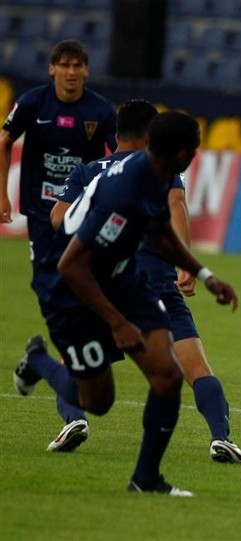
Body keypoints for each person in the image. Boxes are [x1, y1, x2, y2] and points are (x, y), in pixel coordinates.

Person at [15, 100, 241, 464]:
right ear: (150, 137)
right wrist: (189, 265)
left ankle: (76, 417)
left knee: (93, 374)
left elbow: (58, 217)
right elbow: (176, 207)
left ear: (115, 135)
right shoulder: (159, 170)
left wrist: (92, 229)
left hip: (115, 285)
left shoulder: (89, 172)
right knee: (193, 367)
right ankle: (220, 437)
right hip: (138, 283)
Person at [1, 39, 117, 436]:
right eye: (63, 65)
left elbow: (119, 161)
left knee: (79, 302)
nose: (70, 71)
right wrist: (2, 194)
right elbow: (4, 141)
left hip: (80, 221)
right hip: (41, 219)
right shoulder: (34, 103)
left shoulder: (100, 112)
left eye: (77, 65)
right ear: (52, 69)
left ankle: (66, 395)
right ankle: (41, 362)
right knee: (56, 295)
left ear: (86, 70)